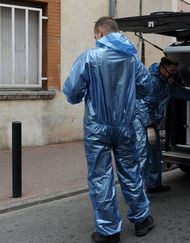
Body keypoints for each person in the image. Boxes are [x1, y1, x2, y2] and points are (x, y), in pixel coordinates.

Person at [63, 17, 154, 243]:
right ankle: (141, 219)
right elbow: (147, 87)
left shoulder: (90, 57)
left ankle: (109, 231)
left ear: (99, 32)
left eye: (95, 35)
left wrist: (85, 94)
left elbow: (72, 92)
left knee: (100, 177)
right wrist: (130, 97)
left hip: (97, 127)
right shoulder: (131, 59)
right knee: (131, 173)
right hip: (125, 126)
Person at [136, 56, 190, 193]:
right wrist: (148, 126)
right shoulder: (151, 81)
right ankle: (137, 192)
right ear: (162, 67)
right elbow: (141, 105)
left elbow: (178, 91)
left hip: (152, 123)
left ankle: (153, 185)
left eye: (174, 71)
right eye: (171, 70)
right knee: (142, 155)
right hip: (141, 123)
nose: (173, 73)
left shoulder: (165, 83)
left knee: (154, 154)